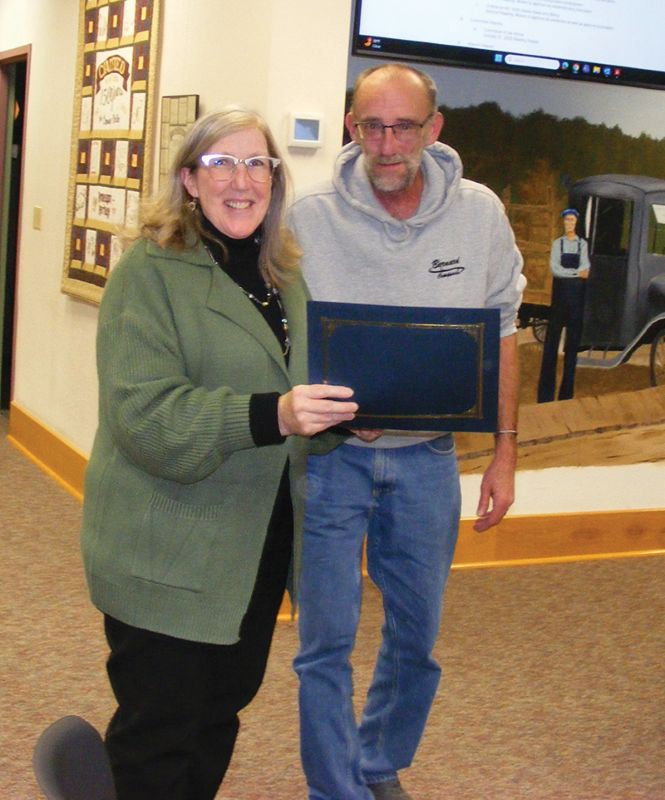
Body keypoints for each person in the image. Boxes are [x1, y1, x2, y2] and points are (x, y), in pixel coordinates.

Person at [80, 107, 358, 800]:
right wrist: (278, 414)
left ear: (274, 178)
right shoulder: (148, 273)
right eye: (220, 164)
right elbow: (143, 415)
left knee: (218, 714)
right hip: (166, 547)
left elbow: (292, 392)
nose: (241, 180)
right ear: (188, 180)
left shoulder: (281, 273)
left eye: (256, 164)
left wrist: (342, 419)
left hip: (253, 547)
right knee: (159, 730)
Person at [289, 64, 524, 800]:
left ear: (433, 129)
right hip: (331, 462)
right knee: (322, 643)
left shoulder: (479, 214)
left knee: (415, 638)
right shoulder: (306, 217)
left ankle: (376, 760)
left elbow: (504, 337)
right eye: (369, 125)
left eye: (402, 126)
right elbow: (277, 335)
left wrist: (505, 454)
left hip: (427, 461)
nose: (385, 145)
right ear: (351, 125)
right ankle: (338, 790)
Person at [537, 207, 591, 402]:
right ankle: (545, 396)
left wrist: (575, 273)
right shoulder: (557, 244)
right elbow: (556, 269)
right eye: (567, 220)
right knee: (551, 347)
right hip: (559, 300)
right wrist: (576, 274)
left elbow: (587, 268)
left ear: (576, 223)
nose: (569, 223)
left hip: (576, 300)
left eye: (572, 220)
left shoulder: (582, 245)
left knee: (572, 348)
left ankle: (566, 395)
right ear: (563, 223)